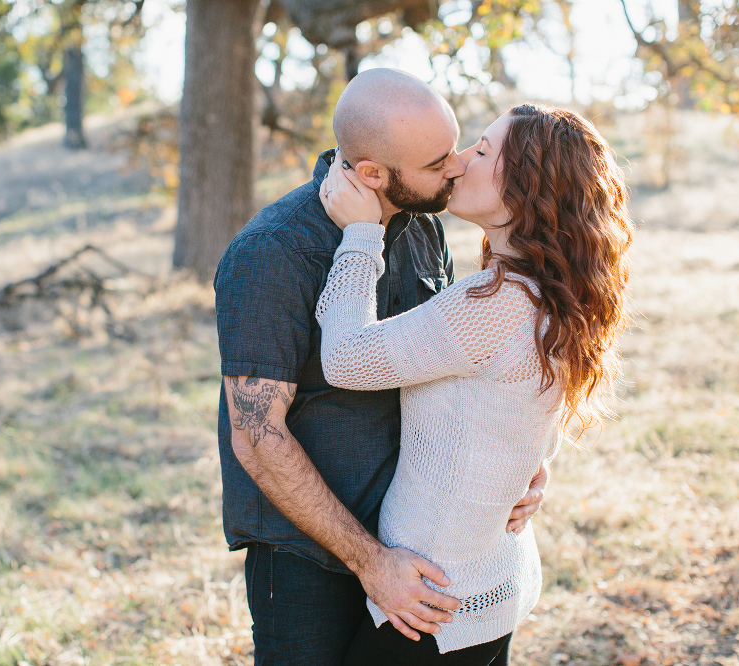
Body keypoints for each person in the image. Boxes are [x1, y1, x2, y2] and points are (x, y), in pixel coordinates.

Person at [213, 69, 549, 665]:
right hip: (308, 550)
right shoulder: (272, 252)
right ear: (371, 174)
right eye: (435, 161)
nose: (454, 167)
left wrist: (524, 469)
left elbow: (465, 369)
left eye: (455, 148)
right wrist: (369, 561)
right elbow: (258, 439)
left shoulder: (424, 226)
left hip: (411, 538)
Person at [315, 103, 634, 663]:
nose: (459, 162)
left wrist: (362, 235)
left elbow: (343, 359)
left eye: (482, 151)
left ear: (527, 190)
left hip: (431, 601)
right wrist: (530, 471)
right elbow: (518, 415)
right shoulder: (556, 296)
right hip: (495, 584)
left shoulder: (493, 303)